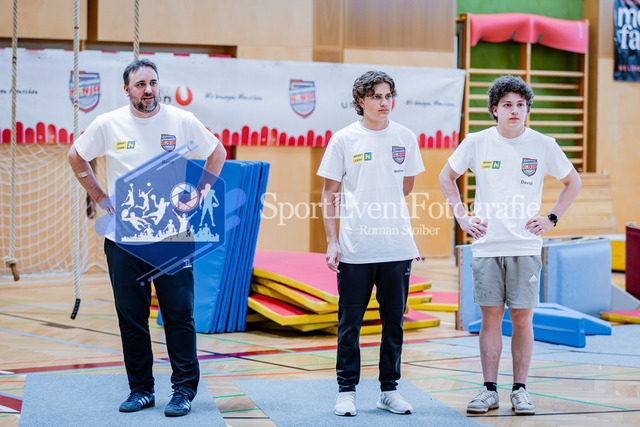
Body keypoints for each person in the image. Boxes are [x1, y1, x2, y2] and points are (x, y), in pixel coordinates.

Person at [67, 58, 226, 417]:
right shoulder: (108, 124)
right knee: (131, 318)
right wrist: (99, 196)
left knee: (179, 317)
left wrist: (199, 194)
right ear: (127, 90)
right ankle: (141, 390)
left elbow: (217, 153)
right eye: (140, 85)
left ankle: (183, 391)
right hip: (124, 241)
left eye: (153, 82)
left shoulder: (181, 120)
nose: (148, 90)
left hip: (172, 238)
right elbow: (76, 156)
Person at [439, 75, 582, 416]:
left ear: (527, 109)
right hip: (487, 245)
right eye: (507, 105)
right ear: (495, 109)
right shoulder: (476, 142)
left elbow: (572, 182)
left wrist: (552, 218)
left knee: (522, 318)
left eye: (520, 105)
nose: (515, 110)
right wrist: (462, 218)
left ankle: (520, 389)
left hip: (526, 246)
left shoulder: (543, 144)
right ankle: (489, 390)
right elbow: (446, 176)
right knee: (490, 317)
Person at [318, 70, 425, 417]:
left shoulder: (405, 137)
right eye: (376, 96)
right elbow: (329, 193)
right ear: (360, 101)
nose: (384, 102)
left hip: (397, 247)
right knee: (349, 324)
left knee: (394, 323)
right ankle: (346, 390)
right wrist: (332, 241)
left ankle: (389, 390)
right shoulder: (344, 139)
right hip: (355, 249)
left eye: (388, 95)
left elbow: (405, 187)